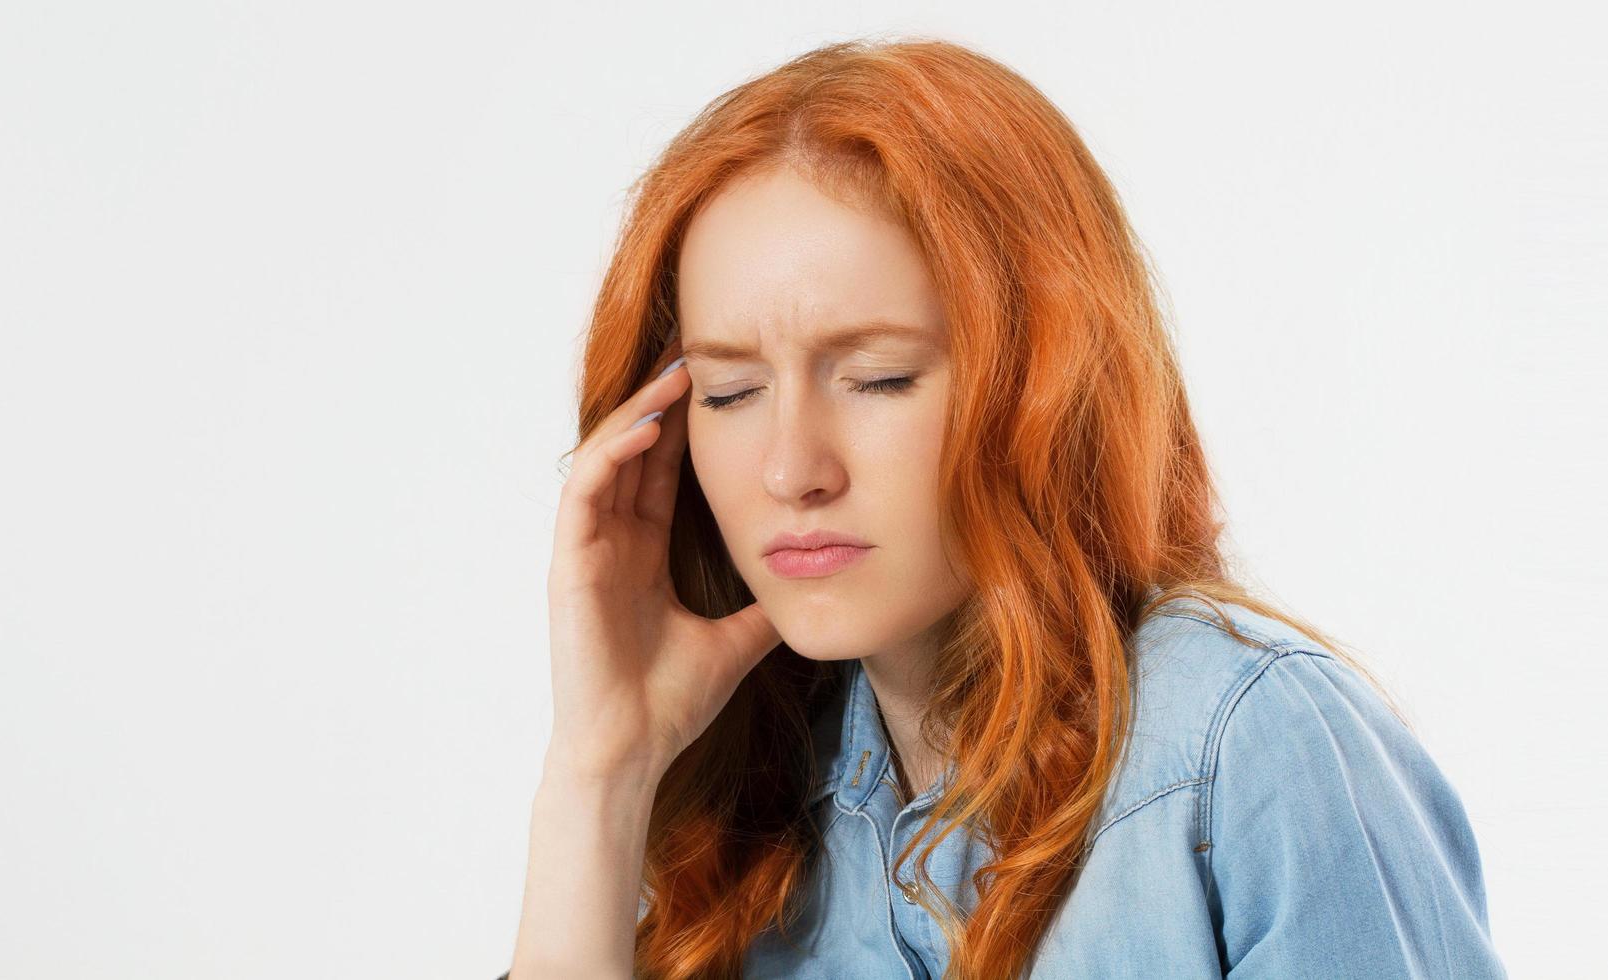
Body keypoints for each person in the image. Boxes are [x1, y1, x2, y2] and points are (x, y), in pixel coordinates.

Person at [505, 37, 1507, 979]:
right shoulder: (753, 801)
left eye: (879, 378)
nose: (789, 470)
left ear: (1043, 383)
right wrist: (600, 770)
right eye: (729, 393)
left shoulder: (1245, 742)